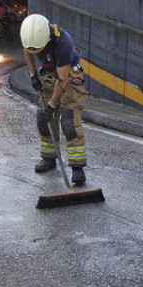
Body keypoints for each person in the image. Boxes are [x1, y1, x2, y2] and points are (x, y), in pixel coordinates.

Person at [21, 14, 89, 185]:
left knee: (68, 120)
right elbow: (27, 51)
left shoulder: (63, 44)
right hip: (49, 75)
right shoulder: (31, 35)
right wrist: (32, 74)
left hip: (69, 75)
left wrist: (51, 106)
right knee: (43, 120)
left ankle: (77, 167)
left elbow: (62, 80)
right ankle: (49, 158)